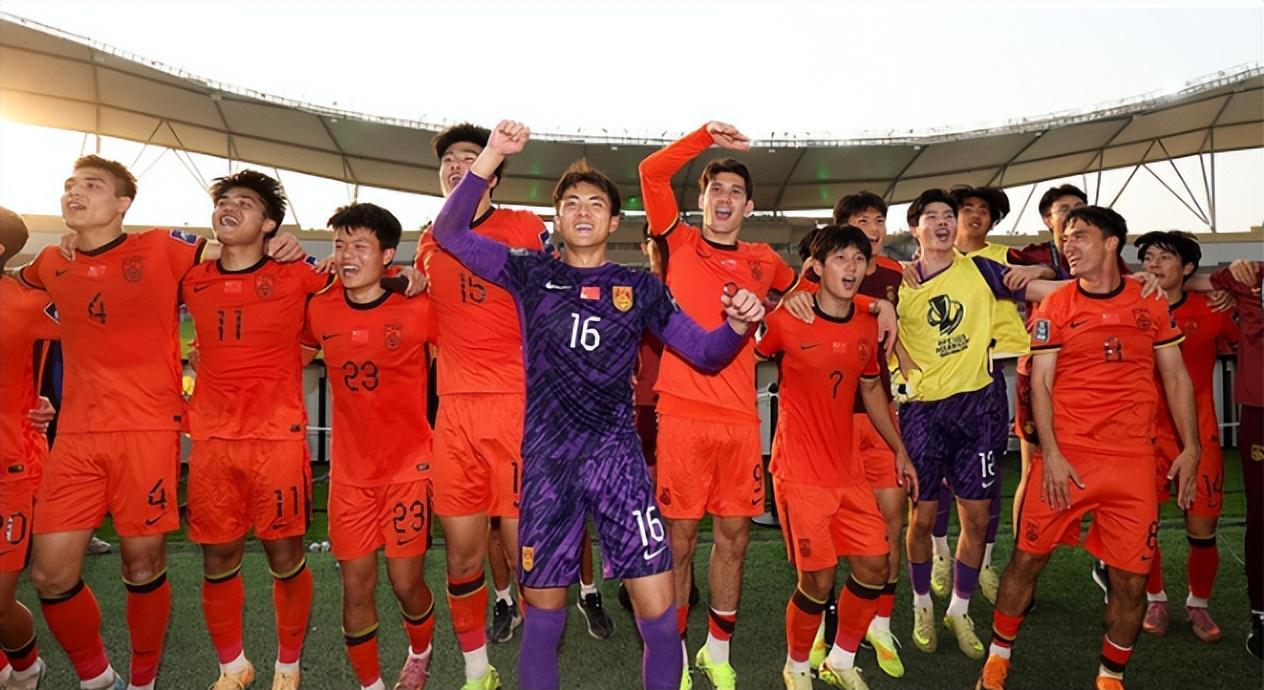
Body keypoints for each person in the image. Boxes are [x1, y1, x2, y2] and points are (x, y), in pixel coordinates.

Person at [433, 120, 765, 690]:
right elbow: (450, 230)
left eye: (595, 204)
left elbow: (707, 354)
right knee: (543, 624)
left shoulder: (641, 289)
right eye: (570, 203)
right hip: (549, 469)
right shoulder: (529, 271)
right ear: (557, 220)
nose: (582, 211)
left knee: (660, 619)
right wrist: (490, 155)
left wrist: (737, 326)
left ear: (614, 222)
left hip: (619, 466)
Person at [977, 206, 1200, 690]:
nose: (1068, 246)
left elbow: (1176, 376)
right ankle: (998, 657)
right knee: (1027, 559)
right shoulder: (1057, 305)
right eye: (1065, 238)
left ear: (1111, 243)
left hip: (1132, 463)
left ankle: (1110, 675)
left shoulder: (1149, 300)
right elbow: (1041, 383)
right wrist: (1052, 454)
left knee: (1131, 580)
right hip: (1069, 458)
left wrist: (1192, 447)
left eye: (1079, 236)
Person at [639, 122, 797, 689]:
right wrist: (705, 136)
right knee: (679, 540)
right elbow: (651, 172)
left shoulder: (764, 259)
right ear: (702, 199)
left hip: (739, 418)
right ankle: (677, 653)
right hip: (683, 413)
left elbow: (803, 295)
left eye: (735, 191)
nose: (725, 198)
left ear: (749, 206)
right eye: (715, 190)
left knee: (735, 537)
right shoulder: (679, 241)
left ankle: (718, 651)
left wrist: (874, 307)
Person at [181, 170, 332, 689]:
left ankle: (287, 666)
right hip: (212, 442)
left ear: (269, 224)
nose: (230, 207)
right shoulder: (191, 278)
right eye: (224, 200)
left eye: (244, 203)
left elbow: (355, 286)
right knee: (217, 557)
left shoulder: (298, 274)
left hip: (276, 441)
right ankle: (233, 667)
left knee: (284, 557)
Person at [896, 189, 1061, 661]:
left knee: (976, 516)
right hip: (923, 413)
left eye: (948, 215)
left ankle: (959, 608)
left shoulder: (982, 269)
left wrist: (1108, 283)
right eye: (931, 216)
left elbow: (1047, 291)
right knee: (922, 518)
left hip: (978, 409)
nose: (943, 222)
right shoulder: (895, 281)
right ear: (915, 228)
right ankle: (922, 603)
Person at [758, 224, 917, 690]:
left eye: (858, 259)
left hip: (848, 473)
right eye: (840, 258)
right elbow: (745, 355)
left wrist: (899, 449)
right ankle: (796, 666)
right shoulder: (787, 320)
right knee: (818, 580)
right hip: (800, 472)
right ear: (817, 267)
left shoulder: (867, 325)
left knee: (876, 566)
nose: (851, 268)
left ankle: (841, 660)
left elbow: (871, 389)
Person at [302, 203, 438, 690]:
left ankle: (420, 651)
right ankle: (371, 684)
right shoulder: (320, 308)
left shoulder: (419, 307)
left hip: (408, 471)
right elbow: (290, 356)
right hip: (350, 478)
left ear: (386, 255)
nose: (346, 255)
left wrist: (419, 279)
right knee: (355, 585)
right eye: (339, 245)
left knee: (405, 584)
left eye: (360, 245)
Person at [924, 186, 1055, 606]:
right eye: (967, 209)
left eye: (984, 210)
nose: (975, 216)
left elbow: (1051, 270)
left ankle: (983, 562)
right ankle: (940, 552)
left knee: (987, 472)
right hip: (938, 378)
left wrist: (1039, 271)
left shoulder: (1002, 258)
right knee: (936, 474)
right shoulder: (927, 263)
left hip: (993, 369)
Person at [1132, 231, 1237, 642]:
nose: (1154, 265)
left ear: (1188, 268)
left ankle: (1199, 605)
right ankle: (1155, 599)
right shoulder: (1132, 307)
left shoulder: (1212, 309)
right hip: (1144, 436)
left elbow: (1248, 338)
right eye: (1148, 258)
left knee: (1202, 531)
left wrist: (1228, 290)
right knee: (1144, 526)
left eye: (1165, 257)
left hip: (1200, 435)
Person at [1190, 258, 1264, 658]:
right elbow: (1187, 279)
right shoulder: (1250, 273)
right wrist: (1226, 287)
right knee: (1261, 515)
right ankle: (1261, 612)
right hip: (1259, 409)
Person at [0, 207, 59, 690]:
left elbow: (103, 340)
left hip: (9, 468)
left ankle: (25, 671)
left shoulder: (26, 302)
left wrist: (58, 403)